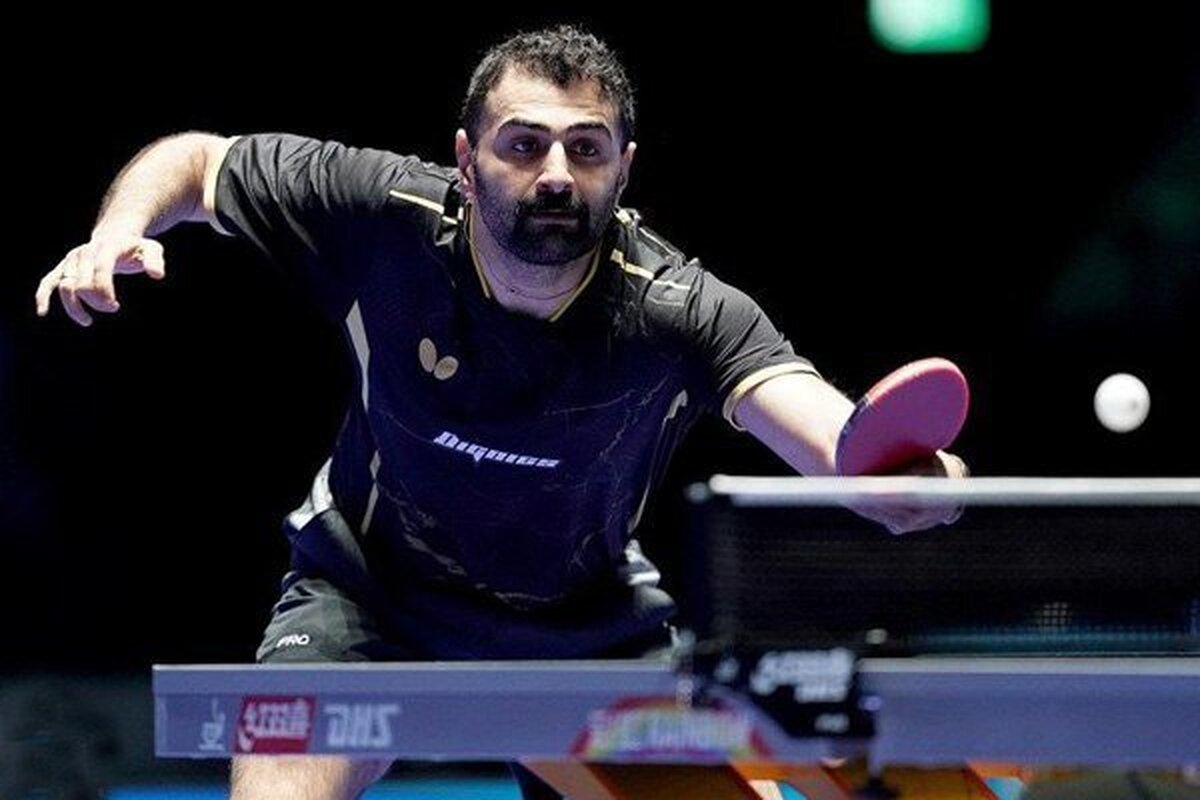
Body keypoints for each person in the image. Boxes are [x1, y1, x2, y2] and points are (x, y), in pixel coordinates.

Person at [35, 24, 966, 800]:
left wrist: (917, 484)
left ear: (624, 168)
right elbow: (200, 162)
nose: (555, 173)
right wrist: (118, 230)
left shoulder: (681, 310)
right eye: (523, 144)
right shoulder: (382, 212)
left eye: (585, 148)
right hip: (369, 599)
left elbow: (839, 444)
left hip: (587, 630)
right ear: (466, 159)